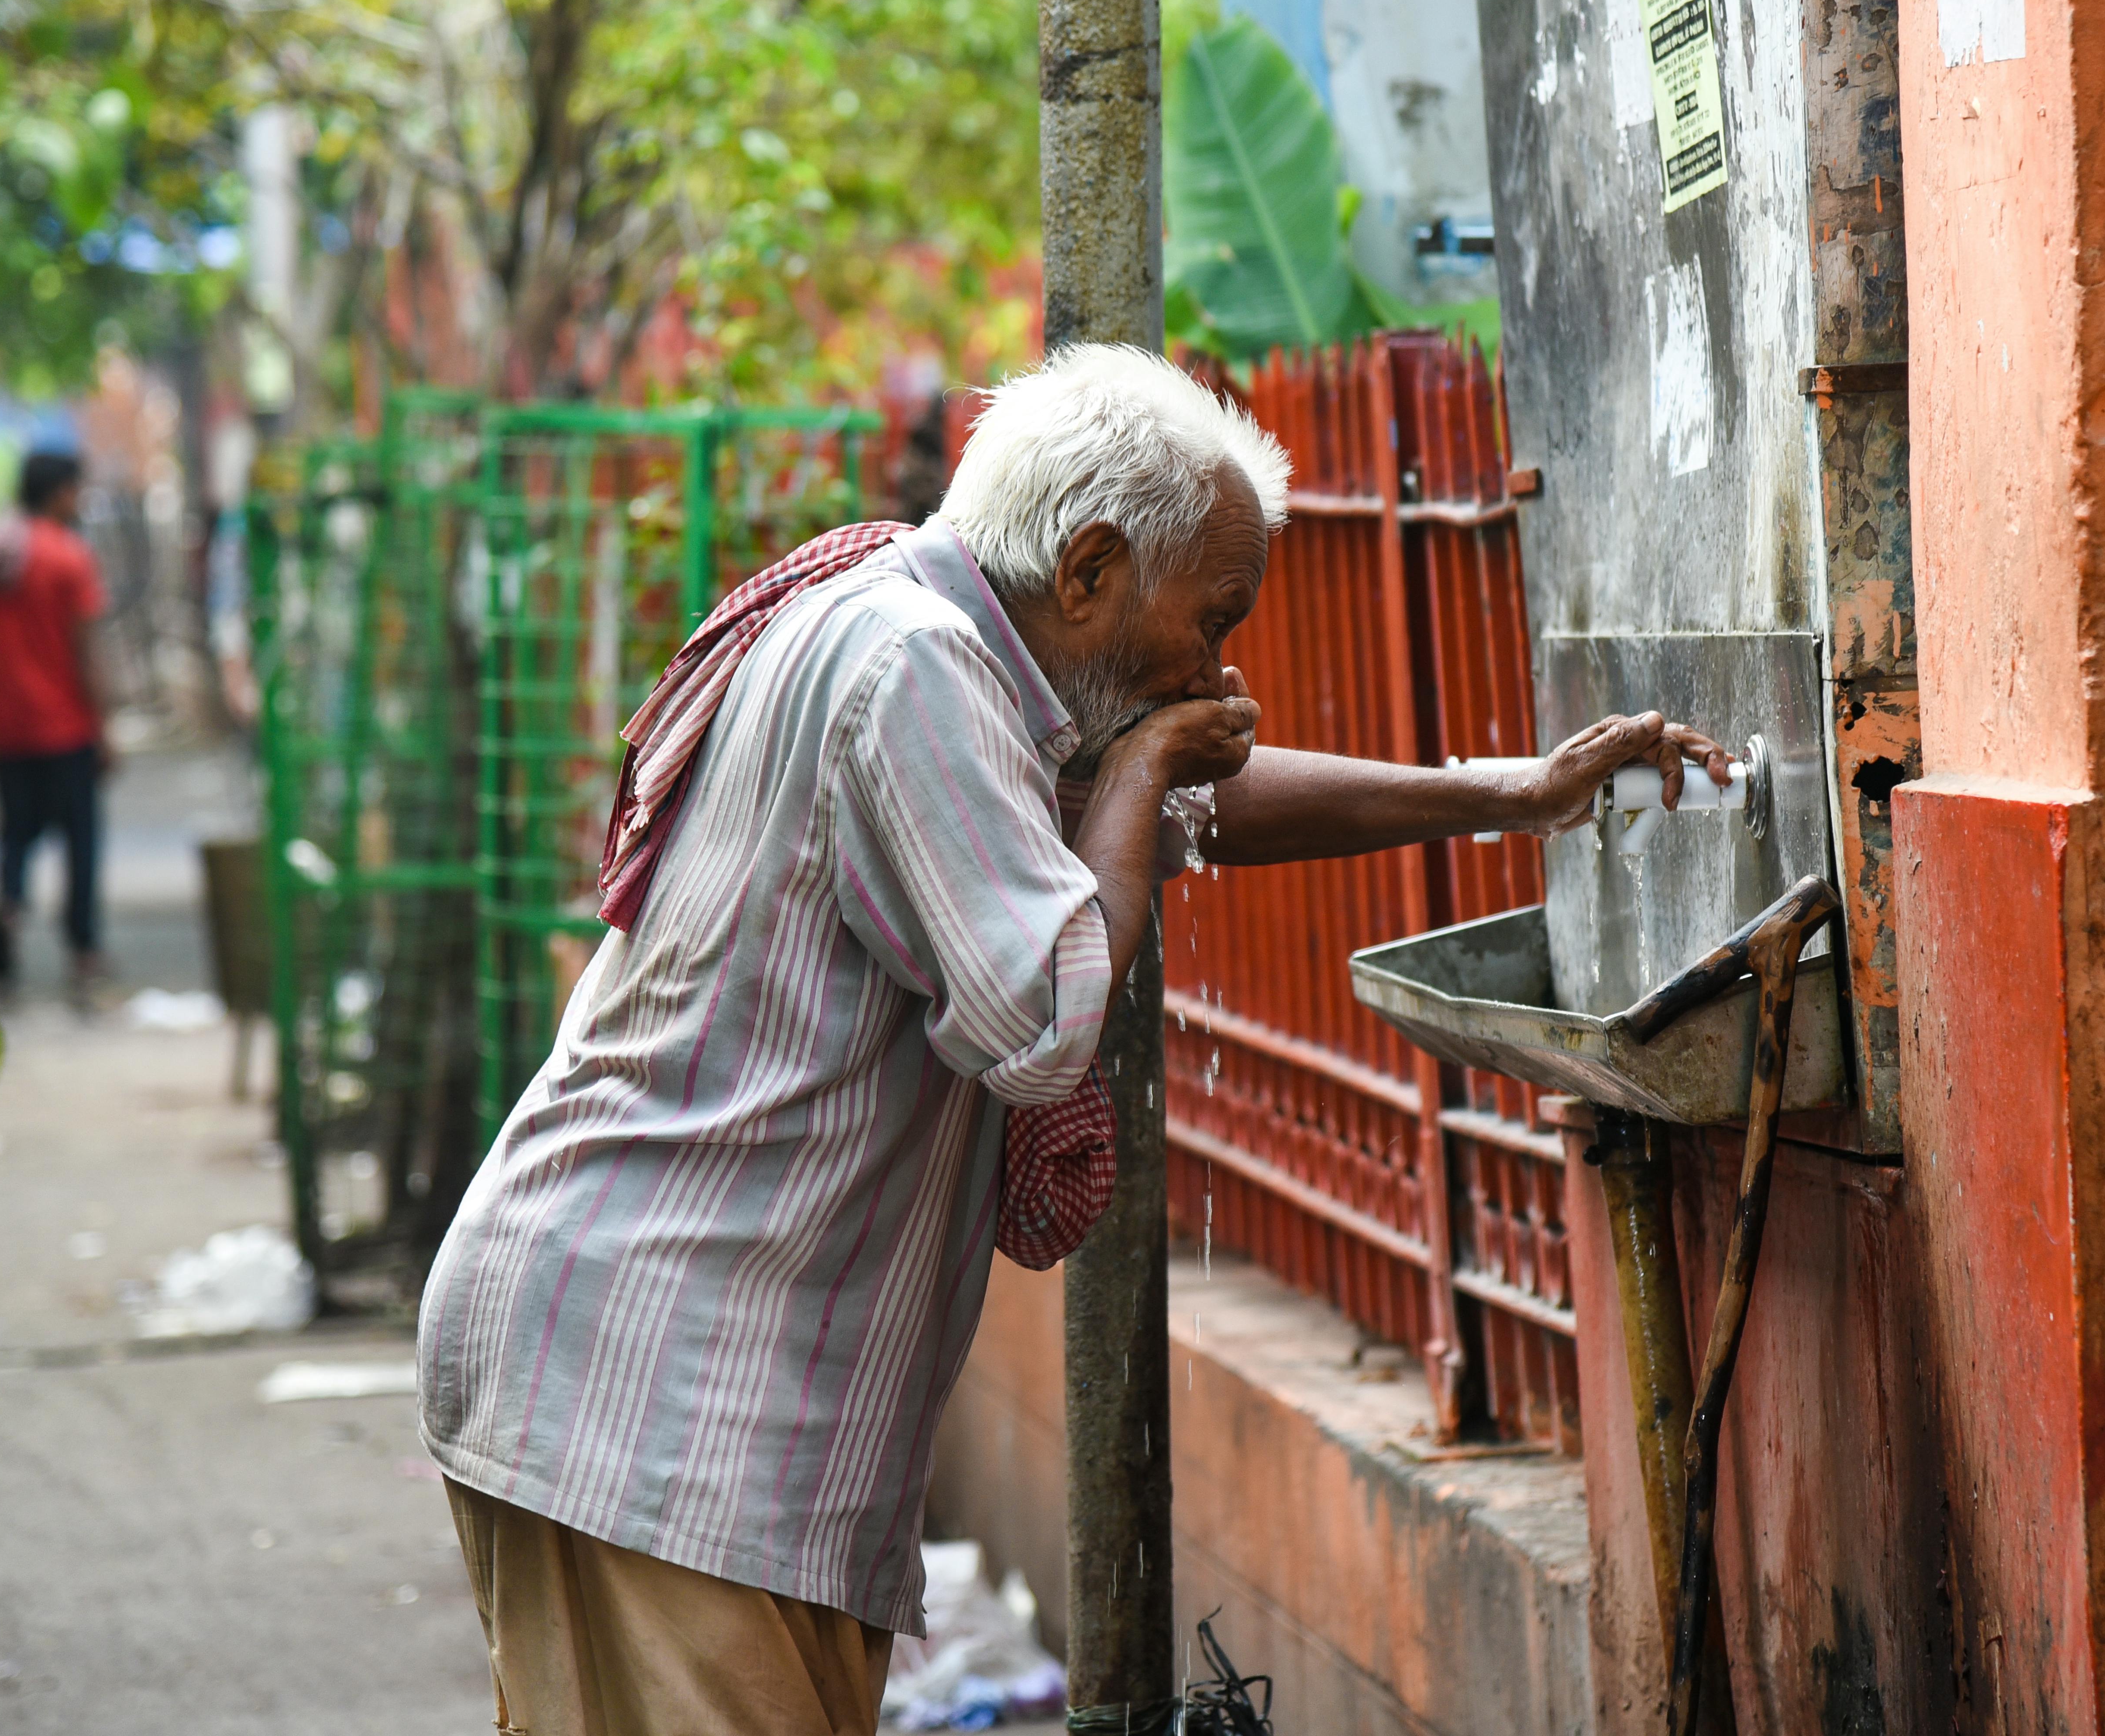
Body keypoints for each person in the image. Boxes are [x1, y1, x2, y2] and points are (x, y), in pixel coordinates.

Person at [416, 346, 1730, 1736]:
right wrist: (1151, 759)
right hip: (651, 1393)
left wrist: (1514, 796)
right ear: (1091, 567)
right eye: (1210, 620)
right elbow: (1043, 1016)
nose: (1215, 669)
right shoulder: (915, 666)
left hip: (681, 1402)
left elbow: (1193, 808)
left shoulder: (942, 646)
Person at [0, 449, 109, 1001]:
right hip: (66, 726)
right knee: (80, 842)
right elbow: (86, 650)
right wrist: (104, 724)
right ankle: (84, 952)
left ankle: (8, 914)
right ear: (60, 492)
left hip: (9, 726)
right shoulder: (68, 557)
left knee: (16, 836)